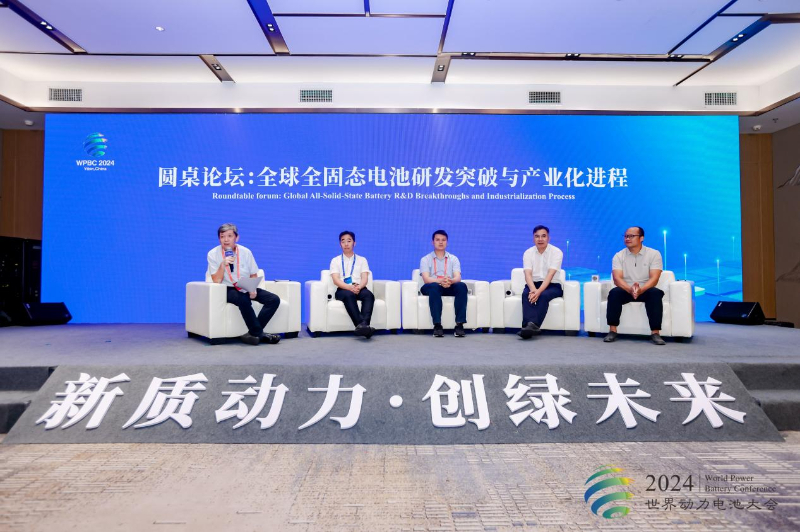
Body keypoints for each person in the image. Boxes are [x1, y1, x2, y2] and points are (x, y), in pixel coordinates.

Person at [207, 223, 281, 346]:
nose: (226, 240)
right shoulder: (212, 254)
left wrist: (252, 289)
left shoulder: (246, 252)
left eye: (229, 236)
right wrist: (222, 265)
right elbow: (216, 280)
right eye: (222, 237)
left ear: (237, 238)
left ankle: (252, 333)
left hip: (245, 286)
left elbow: (253, 274)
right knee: (243, 299)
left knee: (273, 299)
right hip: (227, 288)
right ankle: (260, 334)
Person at [604, 226, 666, 345]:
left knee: (655, 293)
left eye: (631, 236)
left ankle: (655, 332)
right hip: (626, 289)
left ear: (641, 238)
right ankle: (612, 330)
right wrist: (630, 289)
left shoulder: (654, 254)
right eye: (626, 236)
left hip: (646, 289)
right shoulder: (619, 256)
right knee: (614, 293)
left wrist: (641, 290)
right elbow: (617, 279)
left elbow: (654, 278)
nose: (627, 238)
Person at [419, 230, 468, 337]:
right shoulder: (425, 259)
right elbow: (426, 279)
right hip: (432, 286)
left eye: (443, 240)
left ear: (447, 242)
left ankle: (459, 324)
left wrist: (450, 281)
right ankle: (437, 325)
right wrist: (440, 281)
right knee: (434, 287)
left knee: (461, 286)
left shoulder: (454, 259)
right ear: (433, 242)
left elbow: (458, 277)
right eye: (437, 240)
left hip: (449, 285)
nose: (440, 242)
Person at [518, 225, 564, 339]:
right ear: (533, 238)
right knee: (526, 294)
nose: (540, 239)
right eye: (537, 236)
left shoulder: (556, 252)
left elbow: (550, 275)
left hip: (553, 285)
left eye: (543, 236)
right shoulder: (528, 253)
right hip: (533, 284)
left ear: (548, 238)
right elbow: (527, 274)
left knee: (543, 295)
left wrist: (538, 292)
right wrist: (533, 290)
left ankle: (531, 326)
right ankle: (529, 327)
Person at [330, 231, 376, 338]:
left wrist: (359, 287)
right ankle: (363, 326)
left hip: (359, 287)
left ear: (354, 243)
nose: (346, 244)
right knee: (349, 295)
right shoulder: (335, 260)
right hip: (343, 289)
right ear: (340, 244)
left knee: (369, 295)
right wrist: (349, 287)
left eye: (349, 241)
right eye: (343, 241)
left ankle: (363, 327)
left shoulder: (362, 260)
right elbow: (336, 280)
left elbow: (365, 278)